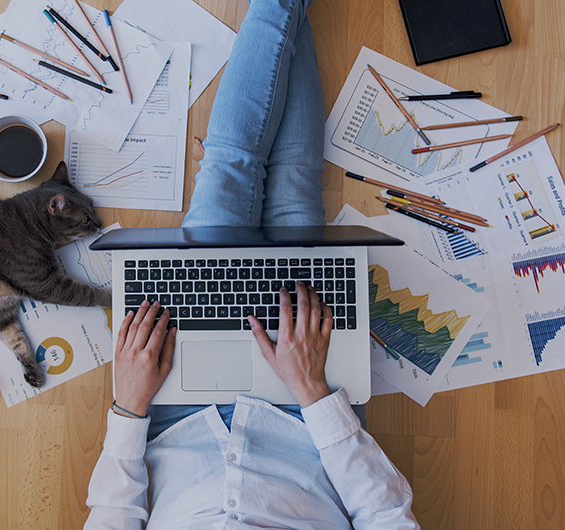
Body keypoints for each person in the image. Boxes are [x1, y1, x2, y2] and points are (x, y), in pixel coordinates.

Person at [84, 0, 418, 527]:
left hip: (171, 407)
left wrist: (128, 407)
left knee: (231, 167)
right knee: (293, 181)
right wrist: (312, 391)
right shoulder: (308, 398)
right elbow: (385, 512)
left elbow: (112, 513)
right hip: (304, 414)